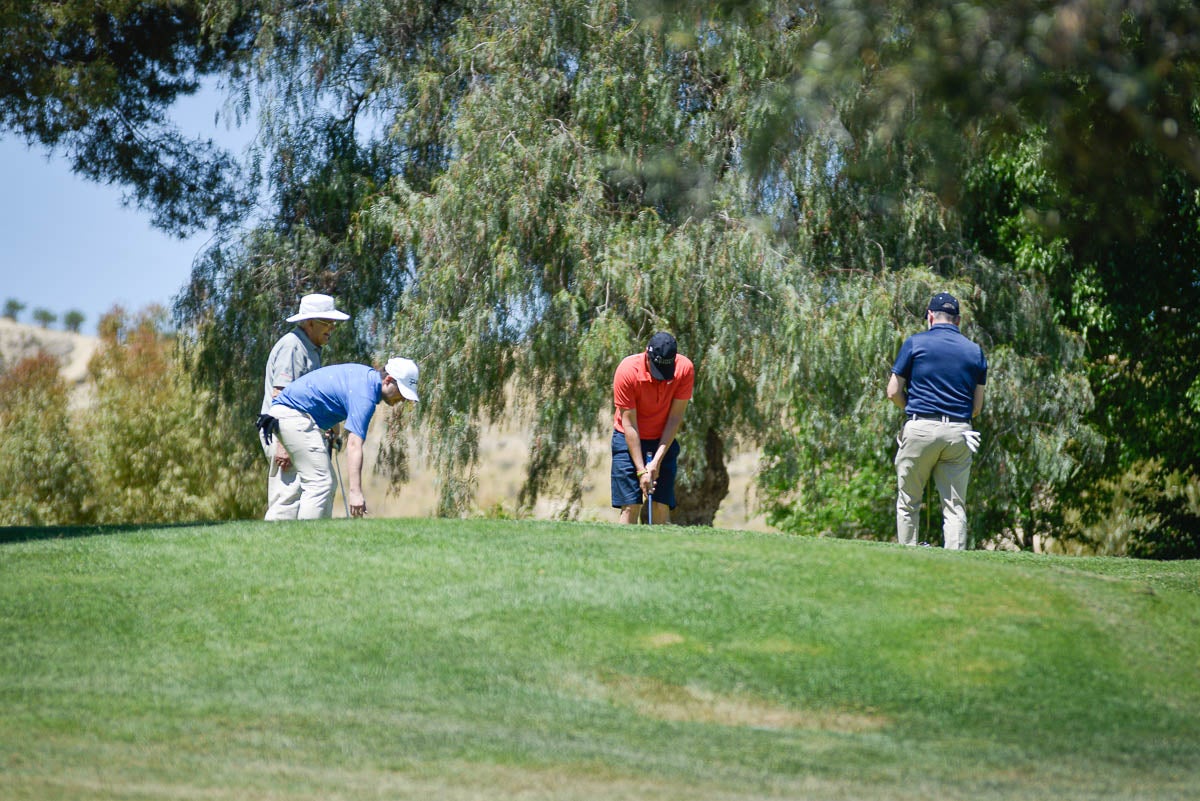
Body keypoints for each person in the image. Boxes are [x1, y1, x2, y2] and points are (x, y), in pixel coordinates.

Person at [886, 292, 987, 549]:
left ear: (930, 316)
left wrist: (914, 411)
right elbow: (977, 408)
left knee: (909, 501)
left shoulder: (915, 343)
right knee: (954, 507)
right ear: (958, 320)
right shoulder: (975, 351)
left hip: (920, 427)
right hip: (960, 433)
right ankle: (954, 567)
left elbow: (892, 391)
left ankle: (907, 557)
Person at [259, 358, 419, 519]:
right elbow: (354, 444)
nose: (403, 399)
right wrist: (355, 493)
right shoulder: (366, 394)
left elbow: (333, 395)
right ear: (388, 380)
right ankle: (308, 540)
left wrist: (333, 428)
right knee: (320, 482)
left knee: (314, 483)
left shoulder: (364, 377)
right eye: (402, 391)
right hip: (293, 415)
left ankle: (283, 537)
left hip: (287, 414)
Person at [260, 293, 350, 520]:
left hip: (299, 431)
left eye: (334, 323)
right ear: (309, 322)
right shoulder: (293, 347)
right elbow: (280, 396)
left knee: (321, 486)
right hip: (284, 431)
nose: (332, 328)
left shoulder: (310, 348)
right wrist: (282, 444)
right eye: (326, 322)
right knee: (288, 496)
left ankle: (307, 547)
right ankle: (273, 551)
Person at [611, 332, 695, 525]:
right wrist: (641, 471)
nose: (660, 378)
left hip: (662, 439)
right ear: (646, 356)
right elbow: (629, 424)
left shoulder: (684, 369)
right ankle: (623, 553)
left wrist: (656, 462)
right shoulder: (627, 371)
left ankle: (661, 554)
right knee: (630, 505)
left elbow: (675, 419)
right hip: (627, 437)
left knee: (660, 505)